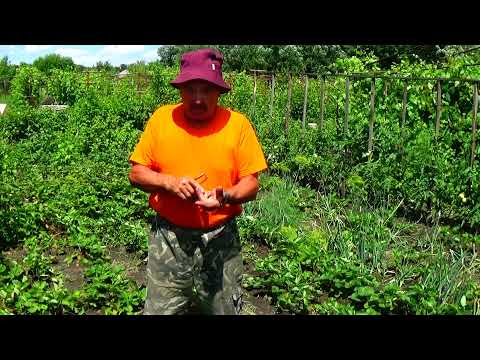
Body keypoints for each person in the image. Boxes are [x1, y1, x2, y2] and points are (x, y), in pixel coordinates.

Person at [128, 48, 268, 315]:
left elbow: (251, 184)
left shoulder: (237, 125)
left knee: (223, 310)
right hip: (168, 239)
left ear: (219, 91)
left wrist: (225, 196)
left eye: (206, 90)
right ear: (180, 89)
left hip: (220, 239)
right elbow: (136, 174)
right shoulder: (162, 120)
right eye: (191, 89)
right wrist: (169, 183)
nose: (198, 98)